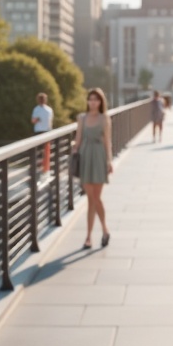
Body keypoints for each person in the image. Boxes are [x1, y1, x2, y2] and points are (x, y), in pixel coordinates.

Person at [72, 88, 114, 248]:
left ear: (100, 101)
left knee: (96, 198)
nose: (93, 102)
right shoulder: (82, 118)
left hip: (99, 157)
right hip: (85, 156)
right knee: (90, 199)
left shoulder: (104, 119)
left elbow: (107, 141)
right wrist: (74, 152)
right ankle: (89, 236)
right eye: (90, 99)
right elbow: (78, 139)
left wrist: (109, 161)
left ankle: (104, 229)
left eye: (96, 99)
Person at [32, 92, 54, 171]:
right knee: (39, 151)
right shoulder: (37, 109)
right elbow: (33, 121)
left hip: (46, 132)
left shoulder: (48, 109)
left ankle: (45, 168)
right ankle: (39, 168)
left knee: (45, 151)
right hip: (39, 131)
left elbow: (50, 122)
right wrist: (37, 119)